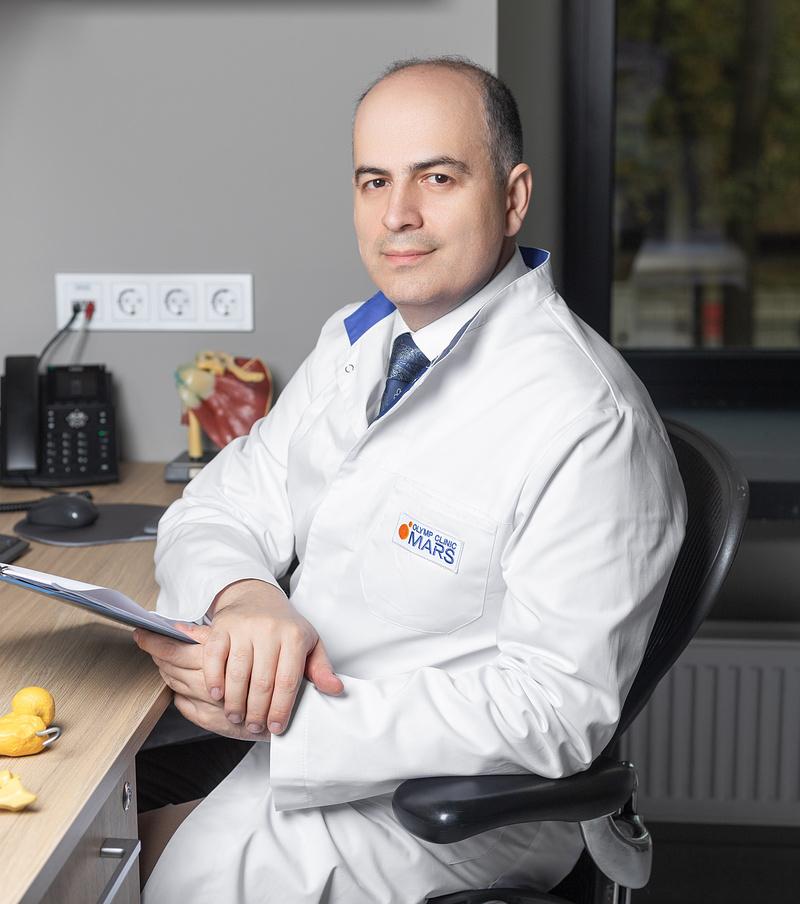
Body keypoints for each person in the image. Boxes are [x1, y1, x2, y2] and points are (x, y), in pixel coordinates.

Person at [133, 56, 687, 903]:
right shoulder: (360, 341)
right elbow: (218, 502)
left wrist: (283, 709)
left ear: (513, 197)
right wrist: (244, 599)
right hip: (290, 752)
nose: (398, 214)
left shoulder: (586, 418)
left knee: (94, 866)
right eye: (374, 181)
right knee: (76, 834)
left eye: (438, 177)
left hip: (447, 812)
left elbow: (555, 709)